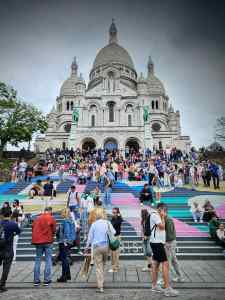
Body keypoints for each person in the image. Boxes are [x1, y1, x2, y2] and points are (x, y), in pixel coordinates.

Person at [150, 203, 178, 297]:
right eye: (164, 210)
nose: (165, 212)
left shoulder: (154, 215)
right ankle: (167, 289)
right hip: (157, 243)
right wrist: (162, 217)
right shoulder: (156, 215)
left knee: (155, 264)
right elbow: (162, 227)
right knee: (165, 264)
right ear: (160, 209)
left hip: (156, 242)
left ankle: (154, 286)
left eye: (165, 211)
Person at [85, 208, 115, 293]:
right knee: (103, 264)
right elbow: (114, 232)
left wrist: (86, 247)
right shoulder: (107, 223)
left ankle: (100, 286)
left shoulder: (94, 224)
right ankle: (102, 280)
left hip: (96, 247)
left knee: (98, 266)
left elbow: (90, 238)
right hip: (105, 246)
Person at [32, 207, 56, 286]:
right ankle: (47, 280)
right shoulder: (51, 218)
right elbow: (54, 230)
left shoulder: (37, 218)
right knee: (48, 259)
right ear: (50, 211)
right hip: (48, 241)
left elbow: (33, 228)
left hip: (38, 241)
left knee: (38, 259)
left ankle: (36, 280)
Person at [0, 208, 21, 293]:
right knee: (6, 268)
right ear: (10, 214)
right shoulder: (13, 224)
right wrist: (12, 234)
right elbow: (18, 232)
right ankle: (2, 285)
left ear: (1, 214)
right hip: (8, 249)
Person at [56, 208, 76, 282]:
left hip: (64, 242)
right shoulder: (71, 221)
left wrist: (65, 241)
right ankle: (67, 275)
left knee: (64, 259)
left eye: (62, 212)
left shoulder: (65, 221)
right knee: (66, 258)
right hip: (69, 241)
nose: (61, 214)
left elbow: (67, 231)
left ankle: (64, 276)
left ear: (64, 213)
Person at [165, 211, 184, 282]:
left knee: (169, 261)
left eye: (159, 211)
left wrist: (164, 242)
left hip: (169, 242)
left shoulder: (168, 219)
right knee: (172, 260)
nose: (158, 212)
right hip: (169, 242)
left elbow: (169, 234)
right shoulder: (165, 219)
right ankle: (179, 276)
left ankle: (176, 276)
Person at [109, 207, 123, 273]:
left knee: (116, 253)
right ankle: (113, 267)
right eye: (113, 212)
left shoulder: (119, 219)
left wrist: (119, 216)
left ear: (118, 213)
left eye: (115, 213)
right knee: (112, 253)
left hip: (117, 237)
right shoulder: (112, 219)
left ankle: (115, 268)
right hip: (112, 237)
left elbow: (117, 223)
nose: (113, 214)